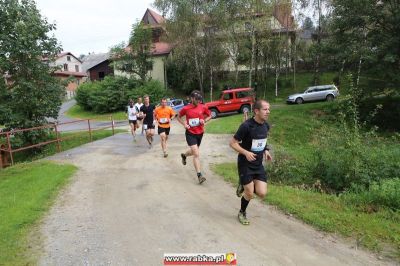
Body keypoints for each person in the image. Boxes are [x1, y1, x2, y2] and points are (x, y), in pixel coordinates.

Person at [229, 100, 272, 225]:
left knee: (262, 193)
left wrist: (266, 150)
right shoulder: (246, 126)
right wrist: (246, 153)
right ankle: (242, 212)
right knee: (249, 192)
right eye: (265, 109)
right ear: (257, 111)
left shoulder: (266, 125)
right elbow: (232, 143)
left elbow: (262, 140)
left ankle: (244, 184)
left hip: (258, 164)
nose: (268, 112)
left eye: (269, 109)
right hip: (245, 163)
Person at [177, 90, 211, 184]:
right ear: (192, 99)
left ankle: (184, 155)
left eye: (199, 99)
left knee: (193, 151)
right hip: (190, 133)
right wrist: (184, 124)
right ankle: (199, 175)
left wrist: (204, 120)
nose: (198, 101)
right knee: (196, 153)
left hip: (200, 133)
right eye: (196, 100)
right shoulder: (186, 108)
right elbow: (178, 116)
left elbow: (209, 115)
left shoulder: (203, 106)